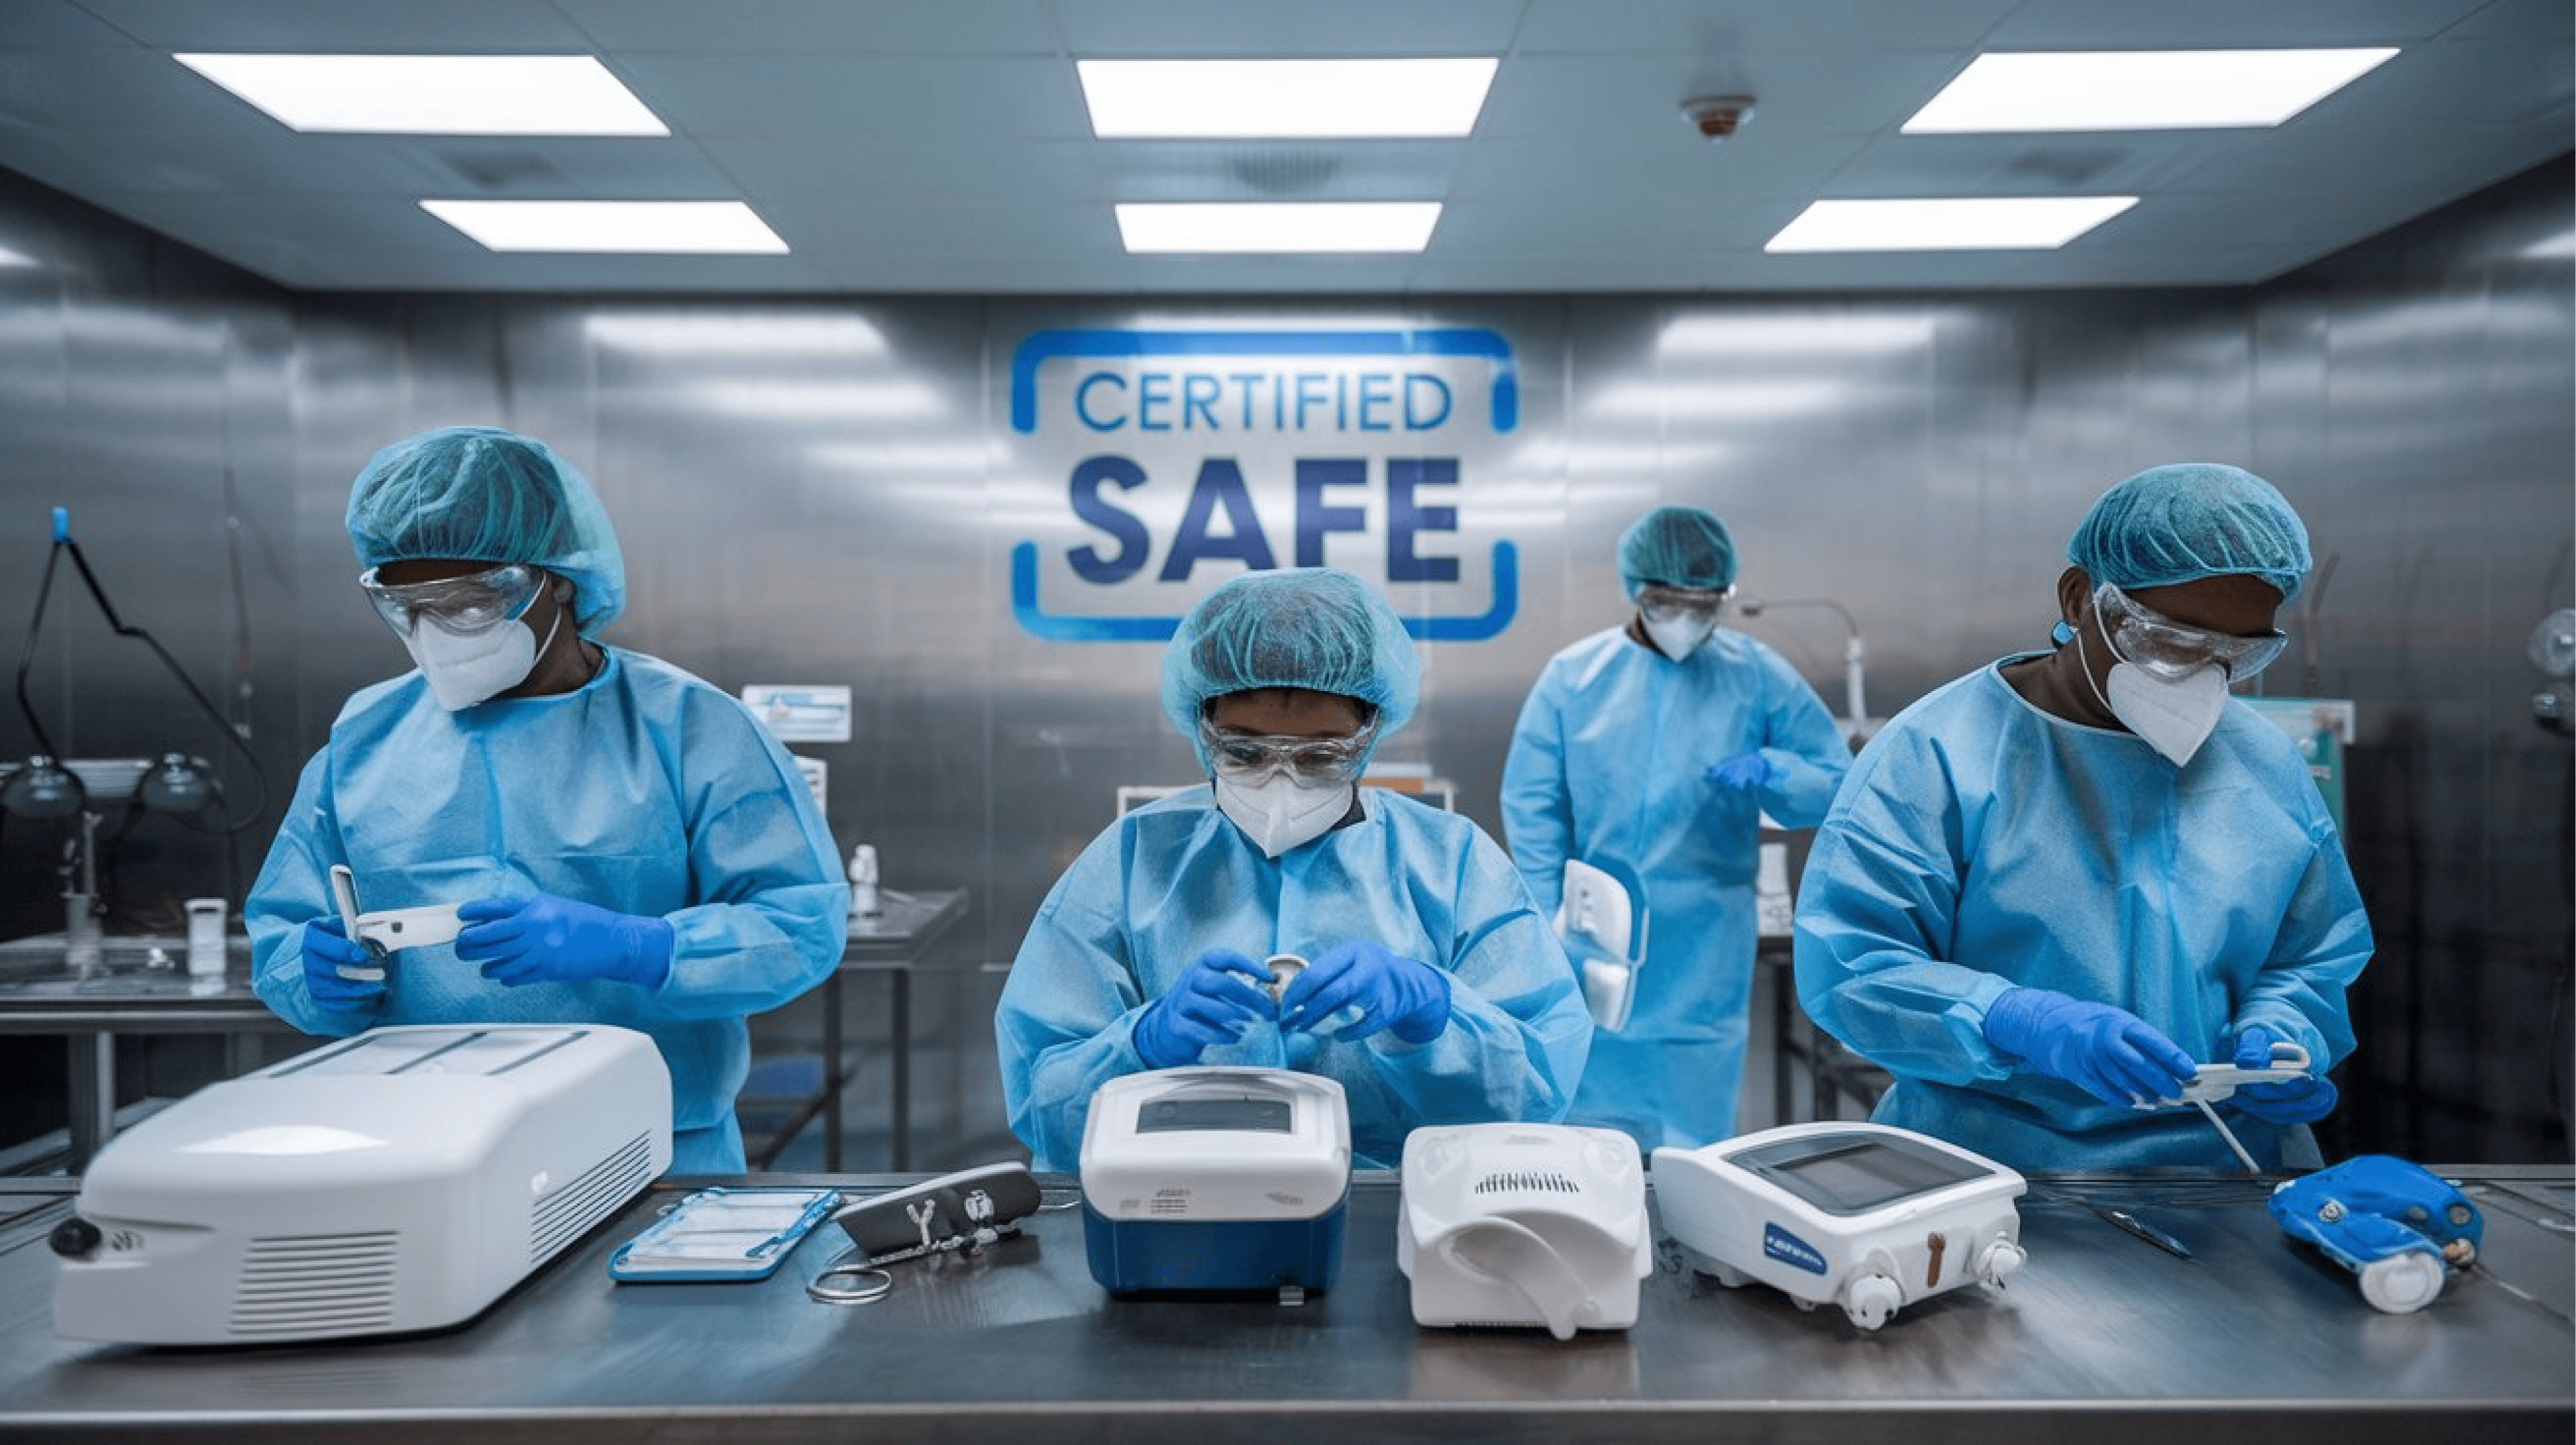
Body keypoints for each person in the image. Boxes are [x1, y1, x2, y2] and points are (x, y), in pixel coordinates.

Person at [247, 425, 848, 1175]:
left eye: (467, 603)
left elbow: (800, 924)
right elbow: (284, 927)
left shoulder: (687, 727)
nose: (436, 632)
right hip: (427, 1153)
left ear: (556, 577)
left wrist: (639, 947)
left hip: (654, 1150)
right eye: (408, 607)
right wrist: (311, 975)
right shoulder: (365, 738)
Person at [1793, 462, 2368, 1173]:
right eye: (2170, 641)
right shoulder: (1936, 756)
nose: (2199, 676)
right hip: (1991, 1172)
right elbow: (1853, 967)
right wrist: (2016, 1019)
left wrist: (2284, 1032)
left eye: (2232, 653)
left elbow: (2308, 955)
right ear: (2078, 600)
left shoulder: (2263, 763)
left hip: (2228, 1171)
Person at [995, 567, 1593, 1170]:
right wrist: (1143, 1045)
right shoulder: (1132, 860)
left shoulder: (1452, 863)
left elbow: (1539, 1092)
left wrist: (1432, 1013)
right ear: (1201, 722)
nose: (1281, 780)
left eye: (1320, 755)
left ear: (1371, 730)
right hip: (1170, 1201)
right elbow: (1046, 1107)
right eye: (1245, 750)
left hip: (1401, 1210)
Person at [1500, 506, 1852, 1151]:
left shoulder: (1757, 675)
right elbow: (1533, 803)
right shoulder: (1573, 677)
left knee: (1692, 1134)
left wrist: (1773, 770)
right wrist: (1548, 910)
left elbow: (1834, 784)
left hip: (1704, 941)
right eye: (1669, 601)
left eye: (1703, 603)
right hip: (1594, 931)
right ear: (1636, 590)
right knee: (1588, 1125)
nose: (1685, 617)